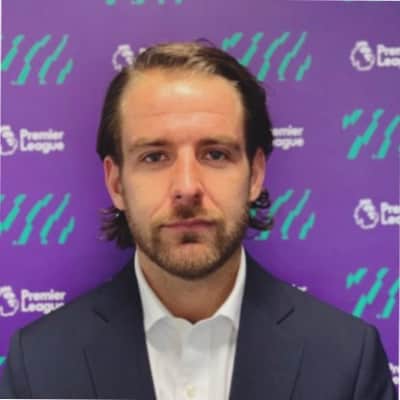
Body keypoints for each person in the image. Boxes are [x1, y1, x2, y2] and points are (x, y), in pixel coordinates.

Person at [0, 42, 396, 400]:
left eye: (215, 154)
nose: (187, 187)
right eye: (155, 156)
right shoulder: (39, 367)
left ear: (255, 174)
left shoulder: (348, 362)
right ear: (116, 183)